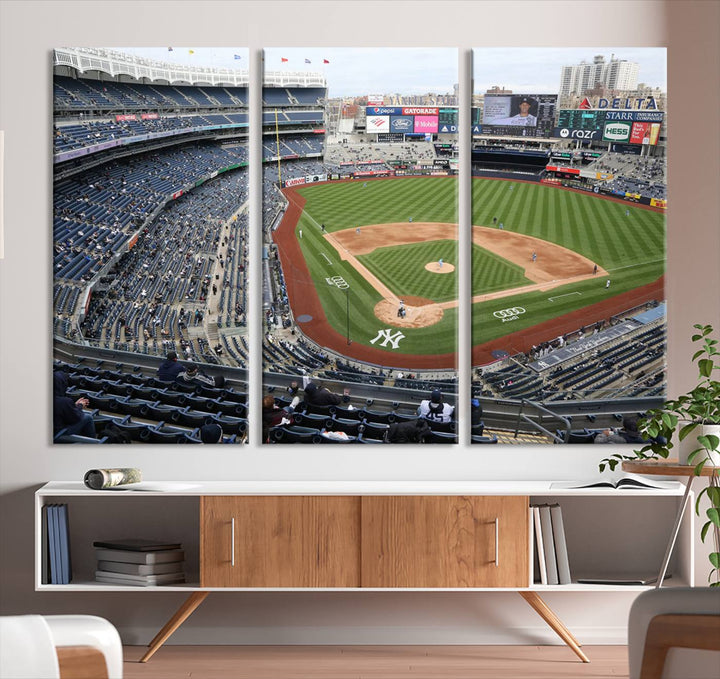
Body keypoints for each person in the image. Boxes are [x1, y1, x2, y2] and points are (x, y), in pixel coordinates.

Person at [53, 371, 96, 438]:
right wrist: (80, 405)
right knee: (88, 418)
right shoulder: (64, 402)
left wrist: (73, 406)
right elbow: (75, 418)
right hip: (57, 435)